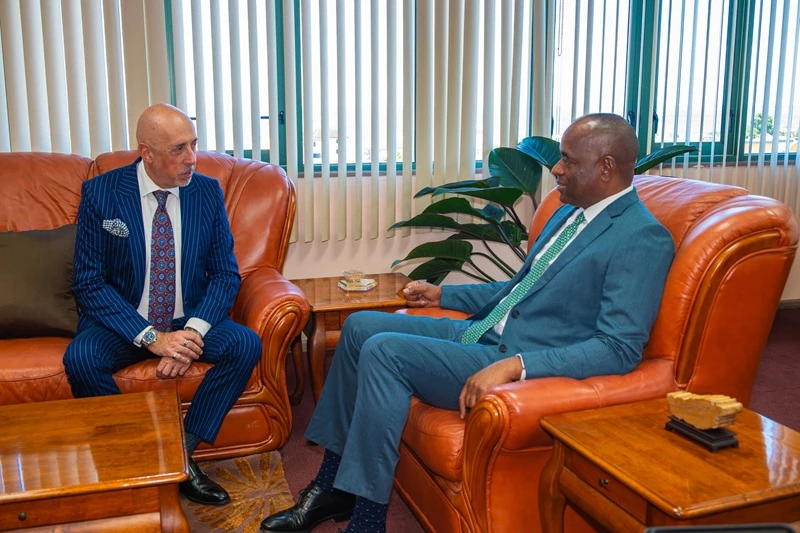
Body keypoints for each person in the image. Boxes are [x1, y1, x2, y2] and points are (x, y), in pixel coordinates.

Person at [260, 113, 675, 533]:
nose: (556, 168)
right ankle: (333, 487)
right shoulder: (571, 213)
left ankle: (367, 521)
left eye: (568, 160)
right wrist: (446, 294)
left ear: (606, 167)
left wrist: (517, 365)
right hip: (480, 332)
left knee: (384, 351)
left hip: (513, 355)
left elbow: (619, 348)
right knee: (359, 327)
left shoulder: (641, 237)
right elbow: (522, 286)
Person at [63, 103, 261, 507]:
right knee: (81, 359)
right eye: (178, 149)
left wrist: (191, 334)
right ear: (146, 152)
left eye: (194, 145)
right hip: (125, 320)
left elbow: (225, 274)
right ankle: (136, 454)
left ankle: (181, 455)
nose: (192, 158)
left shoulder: (206, 192)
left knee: (245, 344)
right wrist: (153, 338)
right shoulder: (102, 193)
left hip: (187, 316)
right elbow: (88, 281)